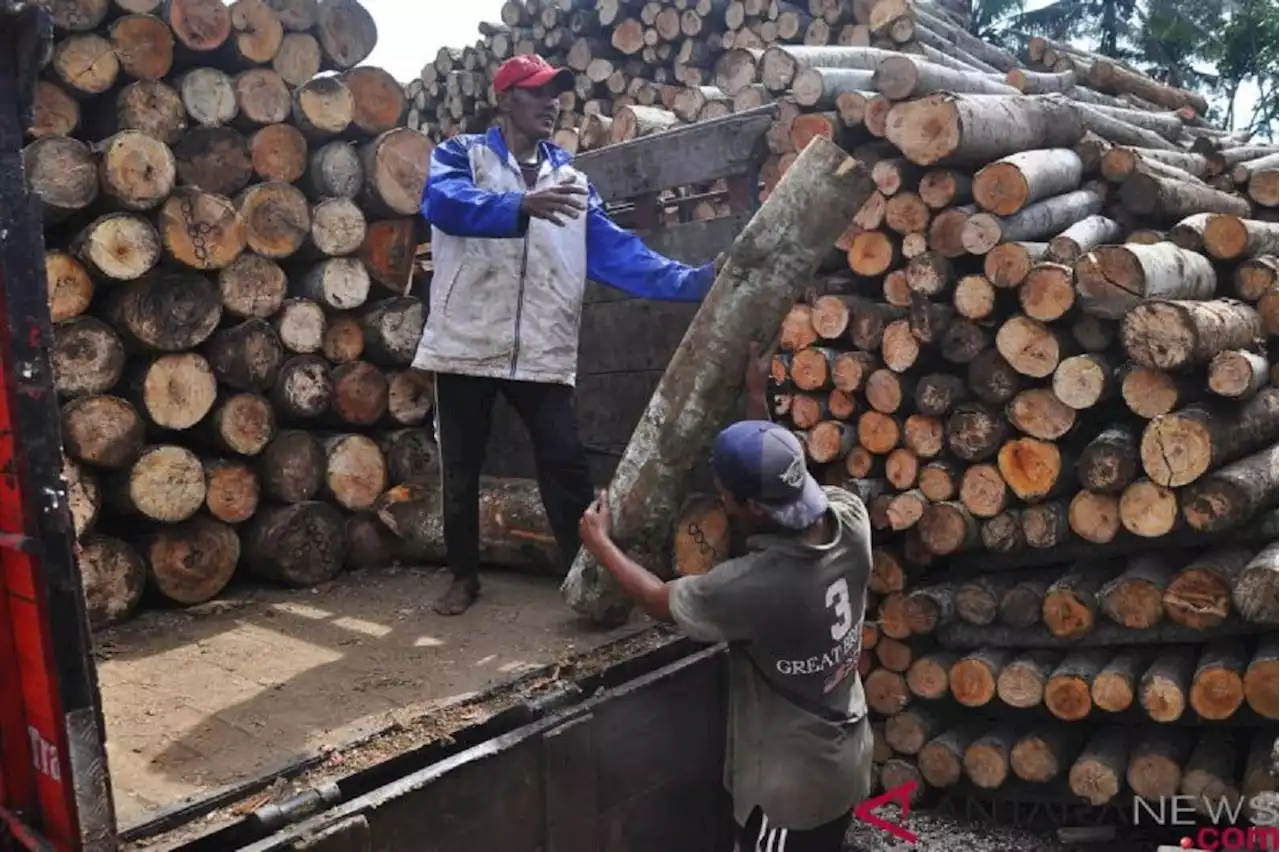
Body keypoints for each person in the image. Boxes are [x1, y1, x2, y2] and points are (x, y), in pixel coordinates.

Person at [413, 53, 719, 616]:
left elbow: (618, 254)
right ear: (505, 100)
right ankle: (463, 577)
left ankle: (588, 579)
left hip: (541, 349)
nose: (552, 103)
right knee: (460, 468)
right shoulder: (462, 156)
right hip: (467, 345)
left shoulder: (572, 180)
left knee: (566, 464)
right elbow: (445, 204)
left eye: (557, 93)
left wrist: (695, 282)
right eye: (536, 92)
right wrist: (518, 205)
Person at [577, 343, 874, 852]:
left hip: (789, 796)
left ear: (751, 506)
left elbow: (655, 598)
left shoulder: (754, 587)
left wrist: (600, 544)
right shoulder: (851, 521)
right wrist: (755, 401)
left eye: (724, 494)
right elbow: (776, 491)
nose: (720, 500)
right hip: (847, 757)